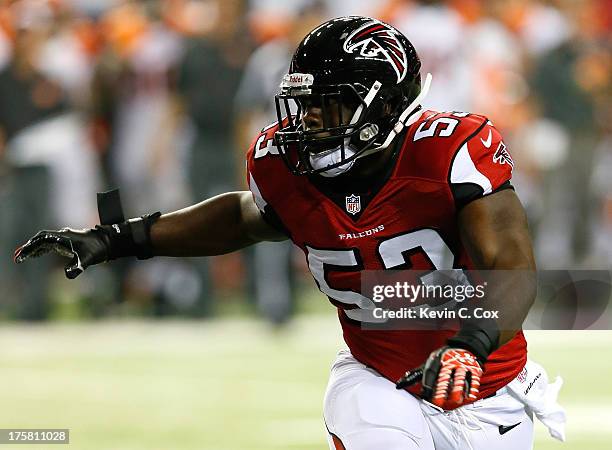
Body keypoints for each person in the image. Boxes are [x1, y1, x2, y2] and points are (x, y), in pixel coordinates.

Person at [14, 16, 565, 449]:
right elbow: (247, 217)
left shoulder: (447, 151)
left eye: (331, 108)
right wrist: (119, 238)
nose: (308, 124)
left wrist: (469, 346)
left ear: (386, 105)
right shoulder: (282, 164)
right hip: (376, 378)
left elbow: (511, 267)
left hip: (488, 384)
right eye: (306, 107)